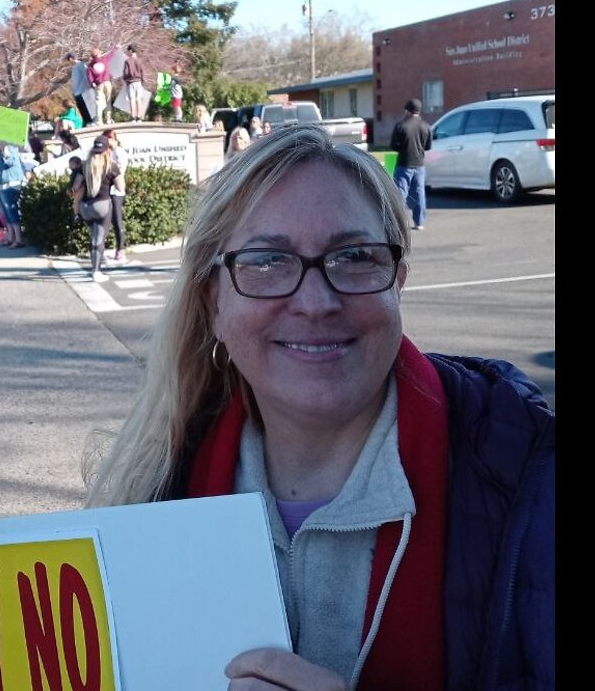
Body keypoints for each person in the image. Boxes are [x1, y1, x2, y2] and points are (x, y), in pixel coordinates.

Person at [84, 124, 554, 689]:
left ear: (397, 280)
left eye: (354, 255)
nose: (315, 302)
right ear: (213, 302)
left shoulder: (528, 478)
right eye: (266, 261)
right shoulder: (155, 487)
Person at [69, 135, 124, 282]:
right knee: (98, 240)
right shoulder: (112, 166)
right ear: (107, 150)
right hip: (102, 205)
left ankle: (95, 267)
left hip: (85, 207)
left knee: (92, 237)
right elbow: (120, 187)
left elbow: (75, 187)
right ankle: (96, 271)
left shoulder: (84, 165)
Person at [390, 98, 433, 230]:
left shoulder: (400, 126)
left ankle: (399, 223)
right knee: (419, 192)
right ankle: (419, 222)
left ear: (407, 111)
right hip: (419, 164)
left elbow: (393, 146)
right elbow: (428, 146)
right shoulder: (426, 126)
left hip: (404, 162)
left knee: (401, 192)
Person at [0, 141, 26, 248]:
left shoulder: (9, 148)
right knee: (7, 213)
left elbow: (11, 162)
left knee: (12, 212)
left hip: (9, 185)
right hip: (1, 186)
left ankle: (18, 239)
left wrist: (5, 151)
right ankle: (11, 237)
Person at [103, 129, 129, 262]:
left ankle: (121, 249)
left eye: (109, 139)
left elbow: (119, 169)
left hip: (117, 192)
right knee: (106, 221)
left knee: (117, 221)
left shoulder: (119, 152)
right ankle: (105, 248)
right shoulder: (106, 152)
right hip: (106, 191)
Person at [87, 47, 118, 126]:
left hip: (98, 84)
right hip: (107, 82)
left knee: (98, 102)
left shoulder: (90, 65)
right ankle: (108, 119)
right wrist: (116, 48)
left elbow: (89, 76)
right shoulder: (104, 60)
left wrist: (92, 83)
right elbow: (112, 55)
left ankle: (99, 120)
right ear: (98, 54)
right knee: (108, 101)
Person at [121, 44, 148, 122]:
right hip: (138, 81)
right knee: (138, 99)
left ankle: (133, 117)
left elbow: (125, 72)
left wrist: (125, 79)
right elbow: (142, 71)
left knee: (132, 99)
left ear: (130, 51)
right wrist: (142, 79)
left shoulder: (127, 61)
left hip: (130, 82)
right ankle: (139, 117)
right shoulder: (139, 60)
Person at [66, 52, 94, 126]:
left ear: (71, 59)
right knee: (81, 108)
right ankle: (87, 122)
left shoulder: (80, 64)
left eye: (68, 60)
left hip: (83, 90)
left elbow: (86, 75)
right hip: (77, 91)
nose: (68, 63)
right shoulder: (74, 67)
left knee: (86, 107)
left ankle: (90, 121)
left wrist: (88, 85)